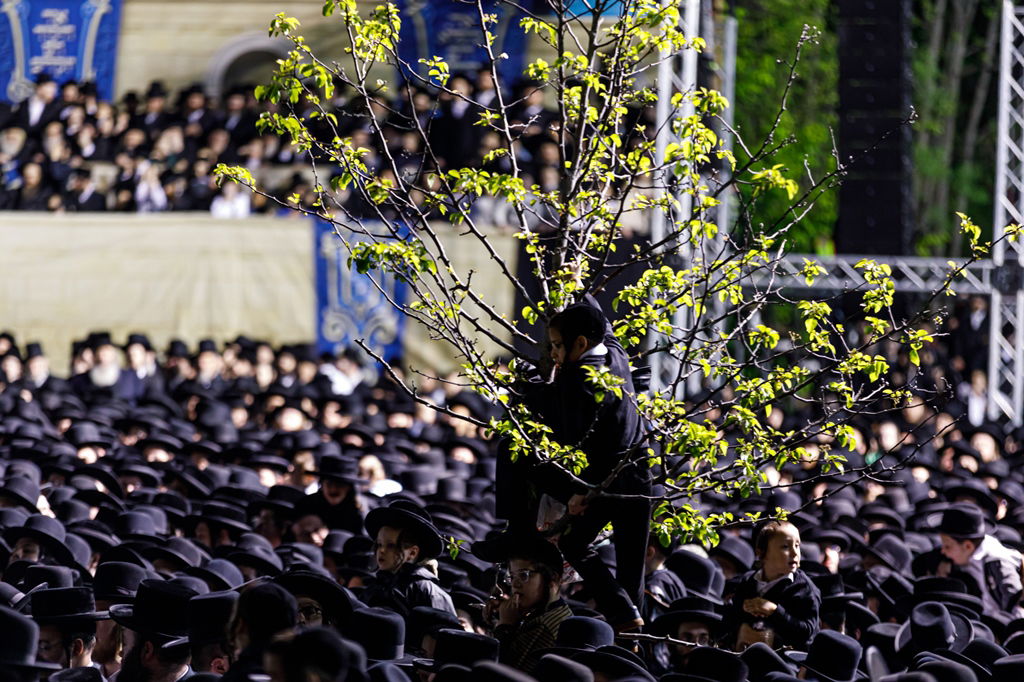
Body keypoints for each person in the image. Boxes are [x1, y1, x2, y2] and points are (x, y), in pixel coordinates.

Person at [521, 297, 652, 632]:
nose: (553, 354)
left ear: (580, 343)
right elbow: (604, 324)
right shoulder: (616, 355)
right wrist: (580, 288)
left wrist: (525, 383)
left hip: (606, 484)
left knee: (573, 543)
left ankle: (623, 614)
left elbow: (552, 417)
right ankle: (632, 627)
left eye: (557, 346)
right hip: (640, 478)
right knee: (631, 569)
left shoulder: (576, 380)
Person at [477, 531, 572, 673]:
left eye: (524, 575)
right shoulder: (544, 614)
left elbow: (500, 673)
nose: (515, 584)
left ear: (552, 578)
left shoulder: (544, 626)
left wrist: (505, 627)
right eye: (512, 576)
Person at [727, 520, 821, 651]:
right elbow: (731, 620)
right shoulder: (748, 581)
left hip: (785, 662)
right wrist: (742, 608)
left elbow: (806, 632)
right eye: (785, 547)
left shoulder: (804, 589)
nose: (795, 553)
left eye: (797, 545)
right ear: (761, 552)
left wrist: (774, 611)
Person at [359, 500, 456, 616]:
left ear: (412, 553)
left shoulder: (427, 591)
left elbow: (444, 630)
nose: (382, 550)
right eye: (379, 544)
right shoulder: (374, 588)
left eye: (391, 546)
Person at [937, 503, 1024, 617]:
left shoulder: (999, 565)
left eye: (947, 547)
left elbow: (1015, 612)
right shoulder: (966, 554)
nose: (942, 551)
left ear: (968, 546)